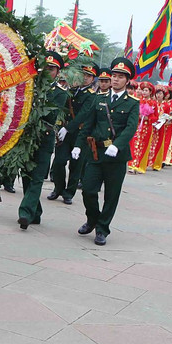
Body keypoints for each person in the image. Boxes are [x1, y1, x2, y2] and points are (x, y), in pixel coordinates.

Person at [71, 58, 139, 246]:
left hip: (117, 156)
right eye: (114, 76)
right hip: (96, 153)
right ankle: (92, 219)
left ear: (127, 80)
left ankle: (102, 229)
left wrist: (118, 145)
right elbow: (89, 124)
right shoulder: (99, 98)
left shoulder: (132, 103)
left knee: (111, 195)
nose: (115, 80)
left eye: (120, 77)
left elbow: (131, 128)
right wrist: (78, 145)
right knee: (88, 190)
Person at [18, 52, 68, 229]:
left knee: (38, 176)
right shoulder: (31, 85)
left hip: (44, 138)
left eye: (52, 69)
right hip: (27, 138)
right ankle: (35, 213)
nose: (48, 71)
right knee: (26, 175)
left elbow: (51, 115)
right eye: (46, 67)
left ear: (58, 72)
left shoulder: (60, 93)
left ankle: (25, 213)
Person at [48, 63, 99, 204]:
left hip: (80, 134)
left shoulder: (92, 95)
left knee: (76, 165)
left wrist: (68, 128)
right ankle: (58, 188)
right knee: (59, 162)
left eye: (89, 76)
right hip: (64, 132)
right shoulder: (71, 90)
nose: (85, 78)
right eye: (83, 74)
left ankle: (69, 193)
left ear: (93, 79)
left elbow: (84, 114)